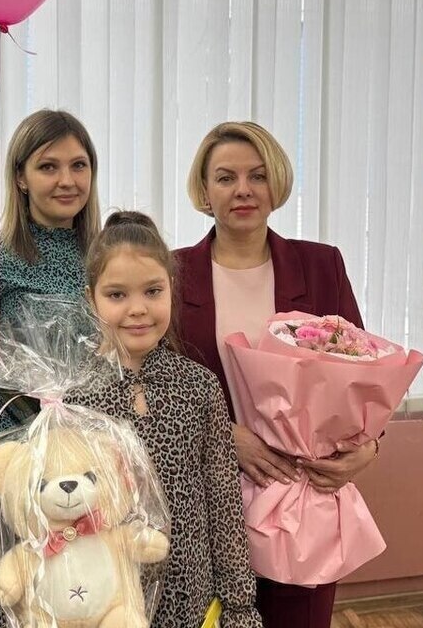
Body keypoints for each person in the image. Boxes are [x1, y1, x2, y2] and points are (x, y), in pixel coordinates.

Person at [174, 121, 378, 626]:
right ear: (204, 190)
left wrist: (369, 448)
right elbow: (154, 384)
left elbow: (363, 373)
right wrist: (223, 436)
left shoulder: (322, 265)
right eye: (226, 177)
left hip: (303, 496)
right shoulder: (172, 275)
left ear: (277, 184)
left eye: (258, 175)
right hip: (205, 502)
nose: (243, 189)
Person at [68, 211, 263, 628]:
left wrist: (239, 606)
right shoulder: (73, 397)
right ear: (91, 299)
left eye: (153, 291)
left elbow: (224, 506)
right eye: (117, 295)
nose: (138, 309)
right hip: (108, 600)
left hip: (192, 598)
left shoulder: (199, 387)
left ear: (172, 289)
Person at [0, 109, 100, 626]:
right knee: (11, 606)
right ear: (20, 177)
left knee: (95, 601)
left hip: (96, 470)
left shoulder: (110, 257)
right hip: (12, 474)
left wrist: (106, 451)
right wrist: (14, 463)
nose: (66, 180)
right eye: (48, 166)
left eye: (79, 165)